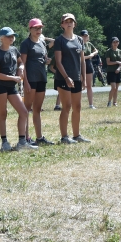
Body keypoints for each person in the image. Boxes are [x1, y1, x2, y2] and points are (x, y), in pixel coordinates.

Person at [0, 27, 38, 151]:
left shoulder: (14, 50)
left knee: (23, 112)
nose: (12, 38)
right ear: (2, 38)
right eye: (9, 36)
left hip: (12, 87)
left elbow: (21, 62)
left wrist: (21, 68)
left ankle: (22, 142)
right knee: (3, 114)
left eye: (13, 36)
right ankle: (4, 142)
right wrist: (13, 78)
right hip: (0, 86)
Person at [53, 14, 90, 144]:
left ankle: (76, 135)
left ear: (75, 24)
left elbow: (82, 60)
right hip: (63, 78)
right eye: (66, 21)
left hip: (77, 77)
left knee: (77, 106)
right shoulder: (59, 40)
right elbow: (58, 62)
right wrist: (66, 77)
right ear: (62, 24)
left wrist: (83, 78)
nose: (69, 23)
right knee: (67, 106)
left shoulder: (79, 39)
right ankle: (64, 137)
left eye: (71, 21)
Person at [20, 18, 55, 145]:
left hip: (41, 78)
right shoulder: (26, 44)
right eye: (35, 28)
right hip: (30, 79)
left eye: (40, 28)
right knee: (26, 109)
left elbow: (44, 58)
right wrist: (25, 81)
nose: (38, 30)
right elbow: (22, 63)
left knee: (37, 109)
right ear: (30, 29)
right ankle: (26, 138)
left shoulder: (42, 43)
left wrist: (47, 61)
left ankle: (39, 138)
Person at [80, 30, 100, 109]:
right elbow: (79, 58)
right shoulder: (78, 44)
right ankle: (78, 104)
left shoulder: (89, 44)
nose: (85, 37)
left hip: (88, 64)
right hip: (80, 64)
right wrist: (89, 56)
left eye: (86, 36)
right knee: (80, 85)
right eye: (83, 36)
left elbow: (96, 50)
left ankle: (91, 104)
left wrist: (93, 54)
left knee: (89, 85)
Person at [105, 37, 121, 107]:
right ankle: (109, 101)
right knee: (113, 88)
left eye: (116, 42)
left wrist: (119, 68)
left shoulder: (120, 51)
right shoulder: (109, 51)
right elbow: (108, 62)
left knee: (116, 88)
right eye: (114, 42)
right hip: (111, 71)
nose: (115, 43)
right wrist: (117, 62)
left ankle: (115, 102)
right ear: (111, 43)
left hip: (118, 71)